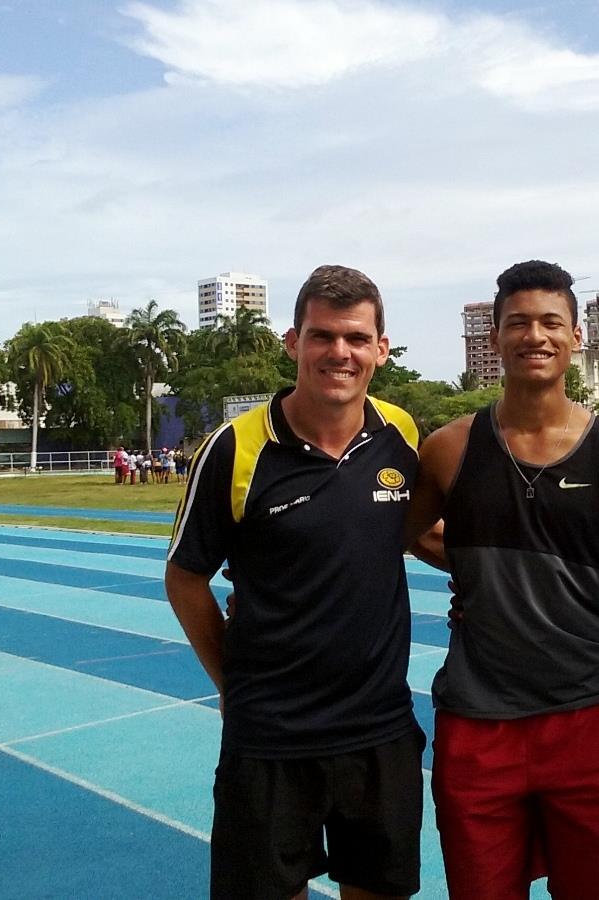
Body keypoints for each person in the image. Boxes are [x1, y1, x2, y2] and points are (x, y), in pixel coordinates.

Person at [166, 264, 426, 900]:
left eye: (357, 338)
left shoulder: (402, 434)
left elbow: (417, 533)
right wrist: (231, 680)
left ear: (381, 350)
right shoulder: (234, 447)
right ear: (293, 342)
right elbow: (184, 578)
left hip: (380, 726)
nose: (340, 352)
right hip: (271, 734)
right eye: (322, 336)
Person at [404, 260, 599, 900]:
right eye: (518, 323)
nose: (534, 336)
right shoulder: (449, 449)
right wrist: (472, 564)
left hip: (587, 716)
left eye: (551, 322)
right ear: (495, 338)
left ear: (577, 336)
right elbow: (405, 531)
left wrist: (582, 586)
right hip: (476, 722)